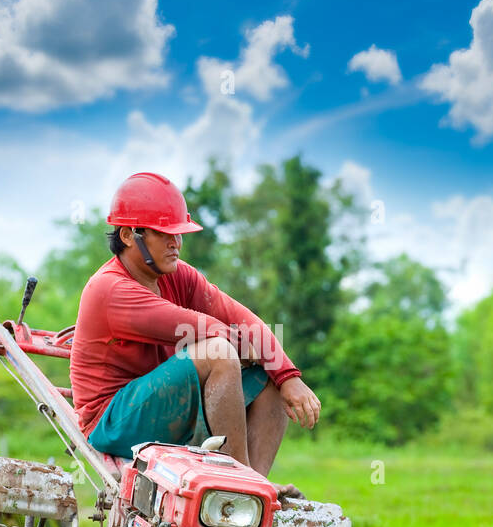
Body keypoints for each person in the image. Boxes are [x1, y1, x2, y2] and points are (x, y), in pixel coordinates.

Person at [70, 172, 321, 497]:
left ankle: (255, 488)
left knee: (270, 375)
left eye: (179, 233)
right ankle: (241, 481)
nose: (176, 243)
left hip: (161, 402)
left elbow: (241, 318)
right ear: (130, 235)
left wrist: (288, 376)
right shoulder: (110, 289)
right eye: (165, 234)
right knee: (218, 351)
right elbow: (207, 331)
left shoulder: (176, 275)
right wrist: (242, 344)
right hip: (112, 420)